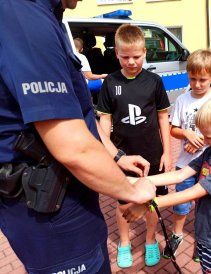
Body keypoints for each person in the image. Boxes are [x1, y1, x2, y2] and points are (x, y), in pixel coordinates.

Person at [0, 1, 156, 274]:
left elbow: (80, 121)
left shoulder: (46, 16)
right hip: (51, 214)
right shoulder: (23, 16)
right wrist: (132, 192)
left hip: (69, 204)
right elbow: (74, 147)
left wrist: (117, 156)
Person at [123, 92, 211, 274]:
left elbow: (192, 192)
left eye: (210, 138)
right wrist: (135, 180)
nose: (205, 142)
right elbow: (181, 174)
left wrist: (148, 204)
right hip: (205, 235)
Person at [97, 24, 172, 268]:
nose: (131, 62)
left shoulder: (154, 81)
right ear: (116, 53)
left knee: (150, 200)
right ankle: (125, 242)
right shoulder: (110, 82)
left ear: (145, 53)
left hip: (153, 154)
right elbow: (104, 120)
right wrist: (109, 154)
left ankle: (150, 240)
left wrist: (168, 152)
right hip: (123, 156)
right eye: (125, 56)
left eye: (136, 56)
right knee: (124, 203)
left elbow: (163, 118)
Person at [164, 49, 211, 261]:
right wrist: (187, 133)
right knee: (180, 203)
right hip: (185, 164)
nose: (197, 84)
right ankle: (177, 234)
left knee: (205, 206)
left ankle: (202, 241)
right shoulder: (182, 100)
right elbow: (173, 129)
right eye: (193, 79)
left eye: (203, 80)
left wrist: (203, 140)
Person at [73, 37, 107, 104]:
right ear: (81, 49)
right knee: (105, 82)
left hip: (71, 85)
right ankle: (101, 107)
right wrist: (103, 76)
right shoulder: (81, 57)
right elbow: (89, 76)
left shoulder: (65, 56)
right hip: (82, 85)